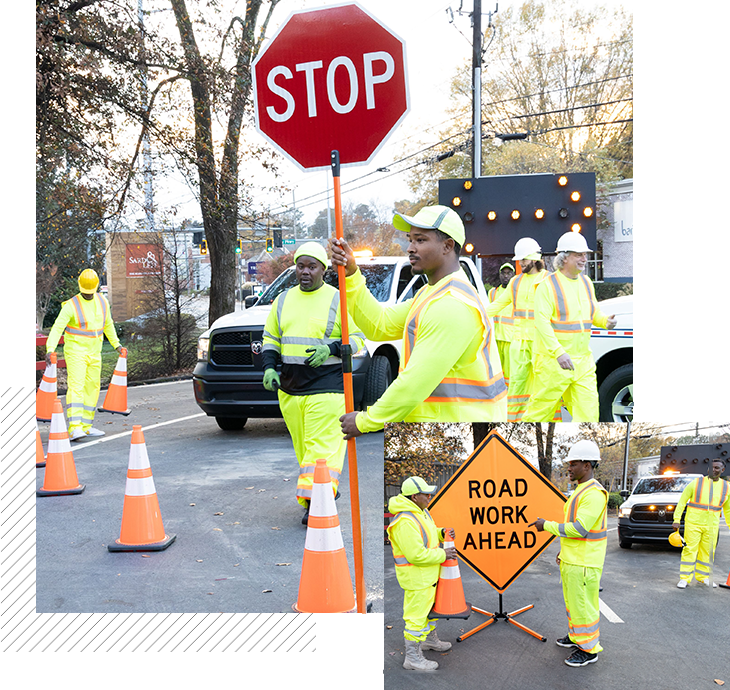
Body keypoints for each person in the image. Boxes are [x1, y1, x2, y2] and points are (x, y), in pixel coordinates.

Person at [331, 205, 507, 440]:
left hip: (457, 433)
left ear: (447, 246)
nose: (410, 248)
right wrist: (352, 274)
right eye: (410, 239)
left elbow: (413, 384)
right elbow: (379, 325)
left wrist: (365, 421)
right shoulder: (432, 293)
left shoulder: (452, 304)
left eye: (421, 240)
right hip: (448, 430)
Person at [261, 242, 365, 525]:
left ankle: (316, 503)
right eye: (301, 265)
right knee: (305, 450)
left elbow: (357, 338)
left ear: (324, 270)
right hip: (291, 389)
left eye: (312, 266)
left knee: (320, 450)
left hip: (327, 386)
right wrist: (269, 368)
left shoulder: (337, 299)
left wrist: (330, 349)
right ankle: (321, 493)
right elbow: (271, 338)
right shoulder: (283, 300)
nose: (305, 272)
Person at [529, 439, 608, 668]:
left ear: (587, 465)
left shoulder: (593, 493)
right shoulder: (580, 491)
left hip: (584, 563)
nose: (569, 468)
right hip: (573, 560)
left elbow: (580, 529)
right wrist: (563, 553)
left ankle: (588, 649)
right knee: (574, 604)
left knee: (583, 606)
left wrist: (547, 526)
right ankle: (576, 637)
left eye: (573, 463)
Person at [523, 232, 617, 422]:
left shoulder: (586, 282)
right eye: (579, 255)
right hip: (553, 362)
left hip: (583, 362)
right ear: (564, 257)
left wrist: (605, 321)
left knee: (589, 415)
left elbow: (592, 314)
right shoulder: (547, 286)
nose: (585, 259)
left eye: (585, 254)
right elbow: (541, 322)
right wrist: (559, 352)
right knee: (539, 414)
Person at [387, 476, 457, 671]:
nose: (429, 496)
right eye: (426, 494)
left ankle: (428, 641)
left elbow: (428, 533)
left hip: (428, 576)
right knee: (416, 618)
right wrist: (444, 553)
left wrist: (442, 533)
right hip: (417, 578)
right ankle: (412, 658)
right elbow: (416, 554)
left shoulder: (421, 512)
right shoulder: (405, 521)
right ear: (414, 496)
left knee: (428, 614)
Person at [45, 269, 122, 441]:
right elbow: (57, 327)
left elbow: (108, 324)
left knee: (93, 387)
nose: (88, 295)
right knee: (77, 387)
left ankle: (86, 426)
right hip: (76, 352)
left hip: (95, 353)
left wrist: (117, 345)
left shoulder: (102, 302)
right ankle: (74, 428)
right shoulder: (71, 305)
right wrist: (50, 349)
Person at [485, 238, 552, 422]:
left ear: (534, 258)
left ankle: (540, 420)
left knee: (541, 387)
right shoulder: (516, 282)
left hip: (542, 343)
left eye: (524, 259)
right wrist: (476, 315)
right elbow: (497, 305)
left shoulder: (548, 280)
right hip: (520, 344)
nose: (521, 263)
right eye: (520, 260)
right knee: (517, 387)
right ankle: (515, 421)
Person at [672, 458, 730, 588]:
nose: (713, 470)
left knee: (708, 552)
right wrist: (676, 520)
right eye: (711, 467)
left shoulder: (726, 487)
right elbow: (682, 502)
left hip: (712, 526)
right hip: (693, 523)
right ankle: (685, 579)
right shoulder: (696, 483)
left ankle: (703, 577)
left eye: (716, 468)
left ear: (723, 470)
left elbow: (728, 510)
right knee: (689, 550)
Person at [487, 262, 515, 386]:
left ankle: (509, 397)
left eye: (509, 273)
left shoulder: (516, 293)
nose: (506, 276)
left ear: (513, 275)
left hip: (511, 339)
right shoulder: (493, 293)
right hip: (496, 338)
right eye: (503, 273)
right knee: (497, 370)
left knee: (510, 372)